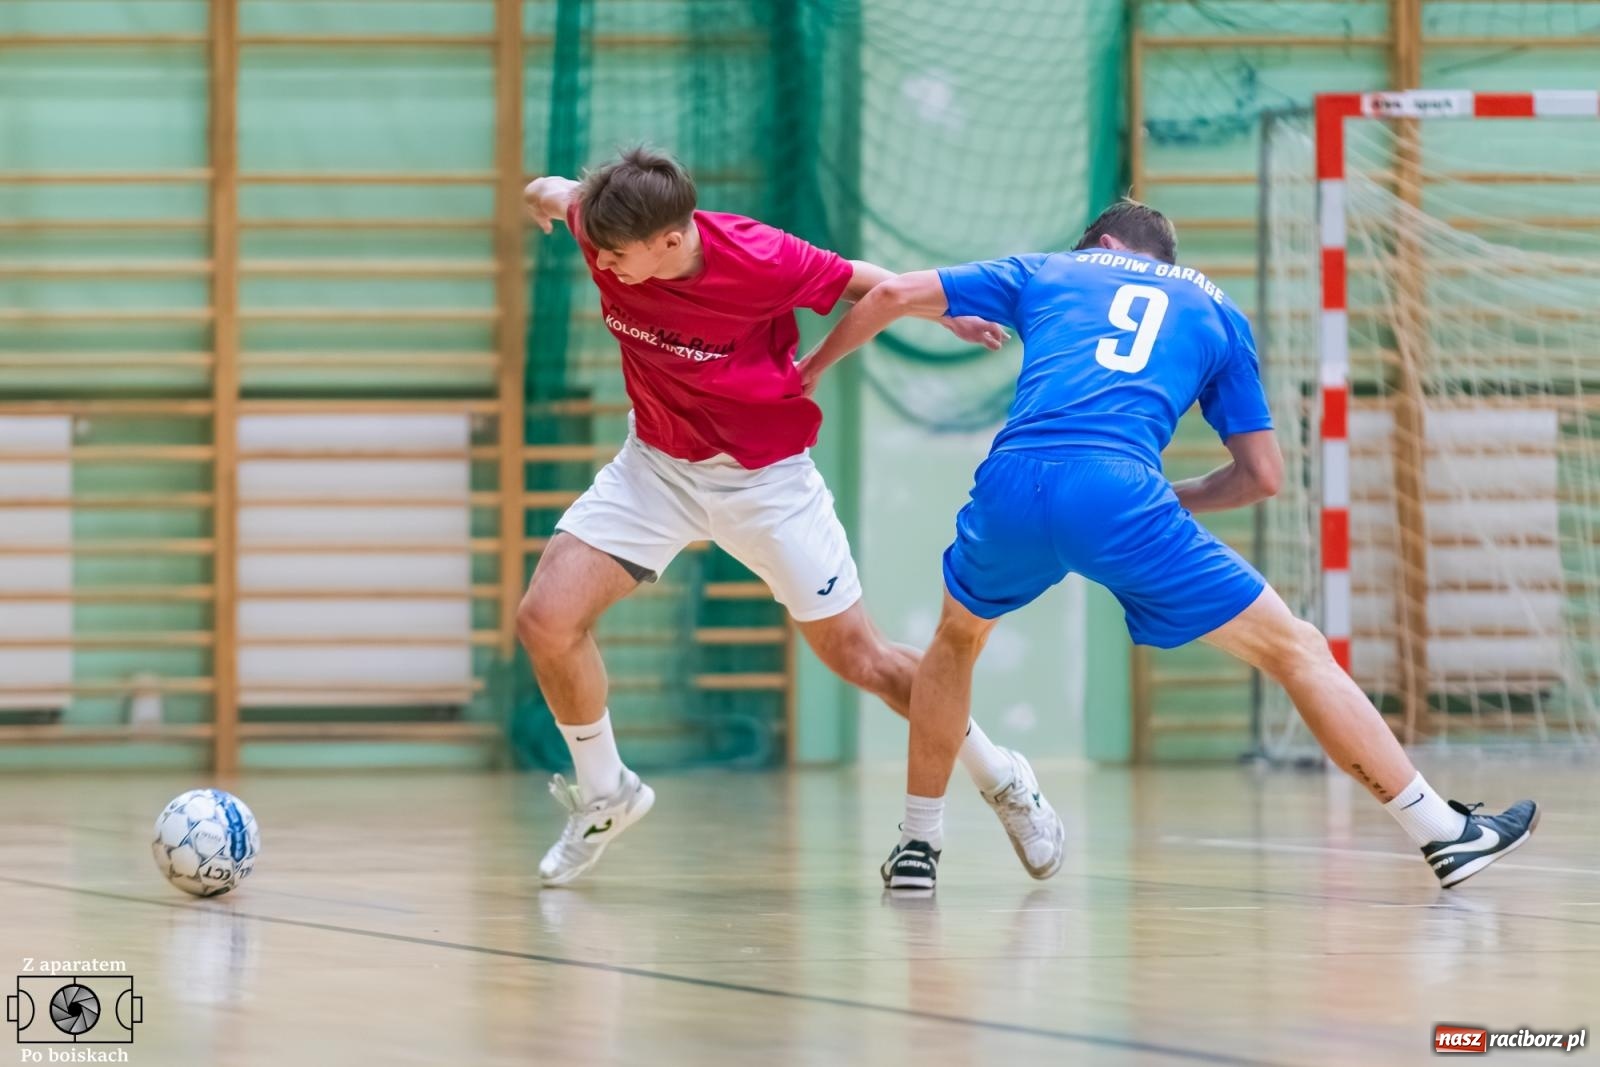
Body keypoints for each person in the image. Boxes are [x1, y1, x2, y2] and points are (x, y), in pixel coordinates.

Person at [798, 198, 1538, 892]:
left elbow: (889, 294)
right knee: (1296, 649)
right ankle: (1443, 832)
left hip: (1013, 480)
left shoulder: (1049, 269)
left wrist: (812, 370)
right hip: (1123, 490)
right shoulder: (1216, 310)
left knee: (954, 642)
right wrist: (1160, 498)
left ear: (1103, 244)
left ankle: (919, 847)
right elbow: (1262, 476)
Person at [518, 146, 1067, 886]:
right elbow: (554, 193)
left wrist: (951, 316)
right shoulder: (601, 225)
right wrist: (540, 195)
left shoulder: (760, 257)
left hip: (765, 482)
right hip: (655, 466)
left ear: (671, 241)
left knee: (863, 660)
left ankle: (1002, 776)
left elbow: (866, 282)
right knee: (546, 620)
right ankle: (605, 792)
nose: (604, 266)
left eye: (618, 257)